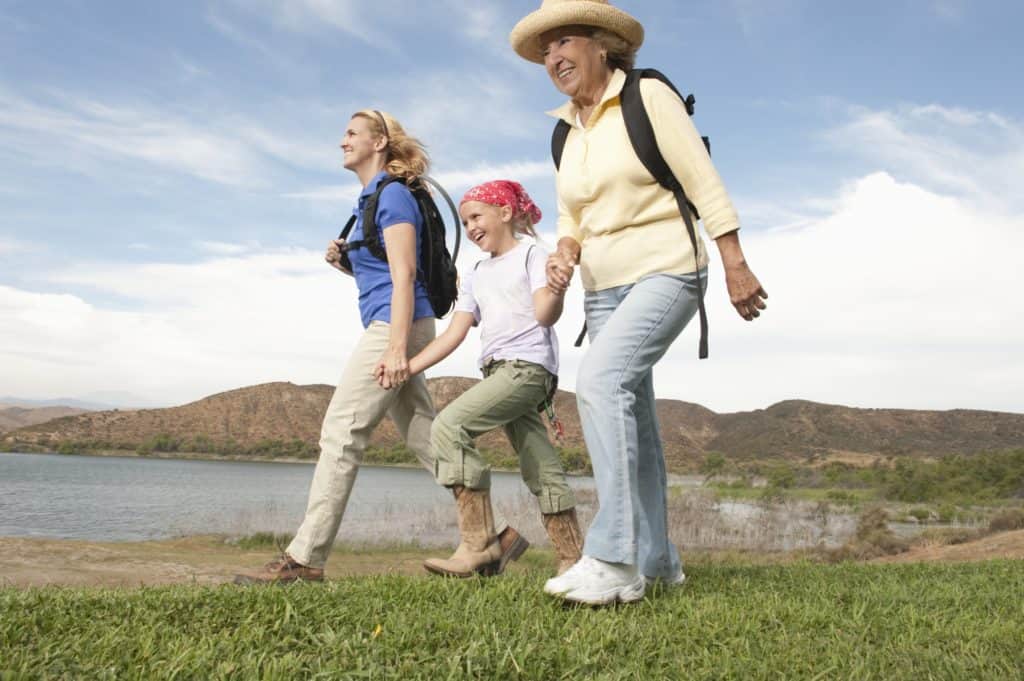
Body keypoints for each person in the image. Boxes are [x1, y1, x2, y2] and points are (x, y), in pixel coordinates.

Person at [510, 1, 768, 605]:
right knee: (640, 429)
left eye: (565, 41)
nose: (553, 57)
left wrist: (734, 261)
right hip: (603, 289)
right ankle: (659, 563)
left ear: (603, 43)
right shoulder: (565, 132)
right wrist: (565, 248)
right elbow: (574, 211)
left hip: (670, 270)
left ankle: (613, 558)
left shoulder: (647, 98)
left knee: (599, 381)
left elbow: (702, 179)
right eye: (545, 49)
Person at [234, 111, 525, 584]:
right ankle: (493, 537)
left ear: (380, 142)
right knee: (423, 434)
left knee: (341, 432)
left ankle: (306, 559)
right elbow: (386, 272)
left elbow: (405, 276)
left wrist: (395, 348)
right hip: (401, 321)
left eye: (351, 133)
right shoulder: (372, 199)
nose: (342, 141)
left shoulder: (391, 197)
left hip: (397, 324)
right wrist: (345, 264)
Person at [378, 180, 583, 578]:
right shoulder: (474, 273)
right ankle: (572, 559)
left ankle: (480, 544)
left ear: (505, 213)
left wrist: (557, 290)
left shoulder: (532, 255)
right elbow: (454, 334)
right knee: (539, 464)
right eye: (465, 220)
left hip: (528, 369)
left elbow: (544, 314)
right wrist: (406, 364)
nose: (470, 227)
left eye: (476, 216)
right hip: (497, 371)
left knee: (449, 427)